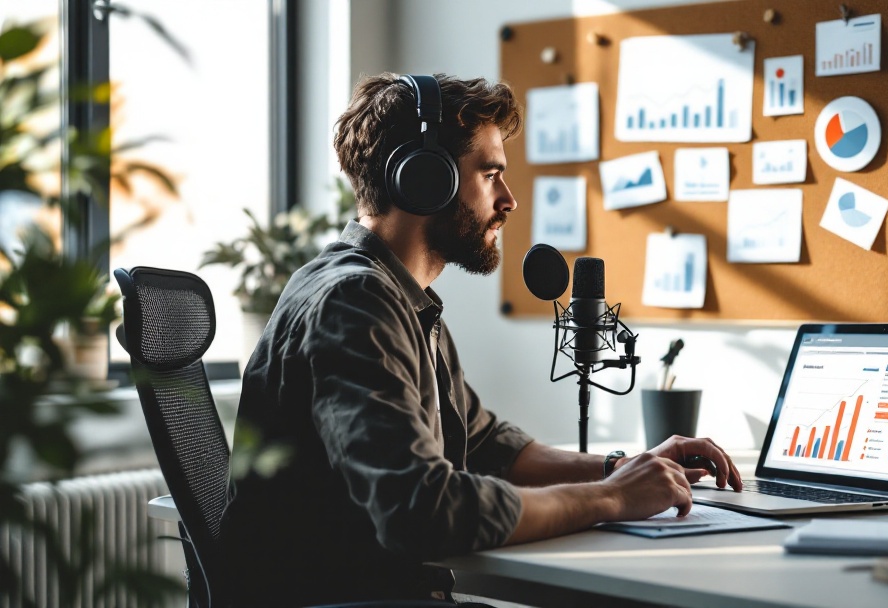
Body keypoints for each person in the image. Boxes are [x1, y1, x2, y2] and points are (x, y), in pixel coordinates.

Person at [219, 72, 742, 607]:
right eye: (491, 173)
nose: (509, 200)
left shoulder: (398, 297)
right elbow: (422, 511)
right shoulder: (354, 301)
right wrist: (610, 497)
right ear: (426, 179)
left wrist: (626, 467)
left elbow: (487, 442)